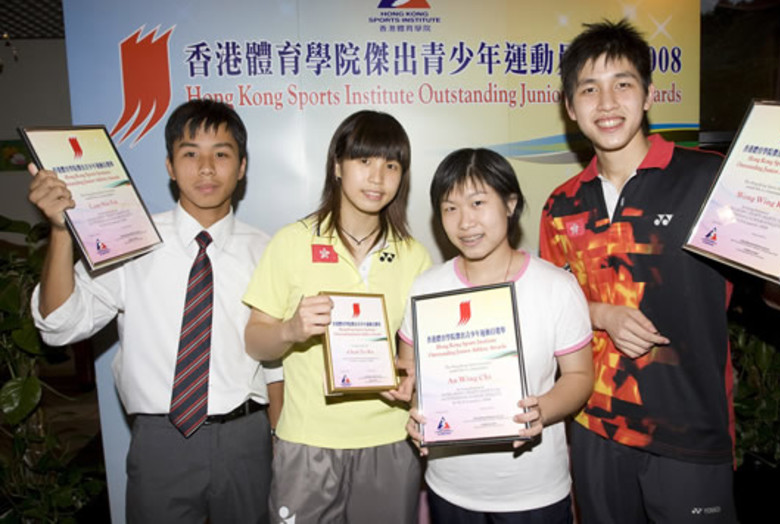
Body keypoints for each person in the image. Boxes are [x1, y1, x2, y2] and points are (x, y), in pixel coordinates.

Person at [539, 19, 780, 524]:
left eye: (622, 84)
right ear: (570, 107)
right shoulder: (560, 205)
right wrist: (601, 312)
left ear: (648, 94)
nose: (606, 103)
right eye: (589, 89)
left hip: (690, 434)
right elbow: (551, 311)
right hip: (594, 430)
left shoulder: (709, 179)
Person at [28, 99, 280, 524]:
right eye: (190, 154)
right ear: (169, 165)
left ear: (241, 167)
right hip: (161, 442)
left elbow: (277, 364)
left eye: (221, 153)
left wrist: (278, 439)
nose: (205, 167)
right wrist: (59, 231)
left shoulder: (269, 251)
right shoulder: (130, 240)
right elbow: (57, 327)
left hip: (245, 439)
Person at [242, 110, 431, 524]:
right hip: (308, 442)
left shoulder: (413, 256)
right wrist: (291, 329)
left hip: (390, 441)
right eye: (364, 161)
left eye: (391, 165)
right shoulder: (292, 242)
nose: (377, 177)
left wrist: (410, 380)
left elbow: (413, 356)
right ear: (337, 166)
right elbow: (254, 341)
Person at [396, 148, 595, 523]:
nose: (465, 221)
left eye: (477, 202)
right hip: (450, 488)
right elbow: (412, 374)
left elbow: (580, 377)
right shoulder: (426, 289)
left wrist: (542, 411)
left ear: (510, 203)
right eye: (450, 207)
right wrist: (414, 408)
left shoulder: (555, 286)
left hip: (534, 492)